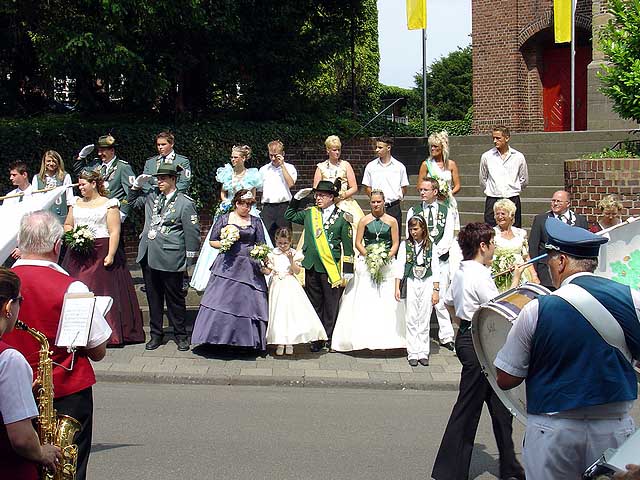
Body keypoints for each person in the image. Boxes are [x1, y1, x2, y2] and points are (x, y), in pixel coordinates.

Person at [495, 218, 639, 480]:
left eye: (550, 260)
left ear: (561, 261)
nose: (549, 267)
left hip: (553, 433)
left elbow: (506, 378)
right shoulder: (633, 299)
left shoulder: (537, 309)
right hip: (614, 430)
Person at [3, 210, 112, 480]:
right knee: (67, 470)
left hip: (9, 395)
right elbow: (98, 351)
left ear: (21, 242)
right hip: (64, 394)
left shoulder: (3, 284)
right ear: (56, 246)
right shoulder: (72, 288)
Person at [432, 222, 525, 480]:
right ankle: (448, 471)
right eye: (492, 243)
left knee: (501, 406)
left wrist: (461, 325)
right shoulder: (480, 274)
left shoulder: (463, 271)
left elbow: (449, 303)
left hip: (469, 337)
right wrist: (515, 281)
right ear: (482, 246)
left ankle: (510, 466)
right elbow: (497, 309)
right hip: (479, 342)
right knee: (468, 407)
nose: (494, 247)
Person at [61, 170, 144, 346]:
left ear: (93, 184)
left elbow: (114, 230)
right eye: (79, 184)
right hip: (78, 252)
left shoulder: (109, 204)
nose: (80, 187)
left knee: (103, 290)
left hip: (101, 251)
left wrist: (111, 254)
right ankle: (77, 331)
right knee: (78, 287)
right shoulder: (75, 203)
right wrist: (74, 235)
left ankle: (109, 332)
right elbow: (68, 224)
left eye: (83, 184)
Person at [128, 164, 200, 351]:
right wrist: (135, 188)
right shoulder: (153, 197)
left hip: (171, 256)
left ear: (173, 180)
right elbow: (131, 203)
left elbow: (192, 233)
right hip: (149, 254)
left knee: (175, 299)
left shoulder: (185, 202)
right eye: (158, 178)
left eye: (163, 178)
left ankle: (180, 334)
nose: (159, 181)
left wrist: (189, 260)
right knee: (154, 298)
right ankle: (156, 334)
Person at [0, 267, 62, 480]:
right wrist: (42, 452)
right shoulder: (9, 359)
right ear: (8, 306)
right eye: (20, 301)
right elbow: (22, 439)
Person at [191, 189, 269, 351]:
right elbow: (213, 241)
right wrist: (225, 242)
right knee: (222, 301)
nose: (247, 207)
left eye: (250, 204)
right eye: (244, 204)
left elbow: (261, 243)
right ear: (236, 203)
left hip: (249, 266)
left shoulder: (255, 222)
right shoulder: (224, 219)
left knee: (246, 302)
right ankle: (216, 338)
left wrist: (263, 258)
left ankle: (246, 341)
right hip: (227, 265)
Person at [285, 180, 355, 351]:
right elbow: (289, 215)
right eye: (317, 195)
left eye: (322, 195)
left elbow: (347, 246)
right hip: (311, 265)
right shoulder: (310, 214)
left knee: (330, 304)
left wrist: (347, 271)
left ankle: (329, 337)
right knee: (314, 303)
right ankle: (317, 338)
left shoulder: (342, 217)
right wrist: (296, 199)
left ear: (331, 197)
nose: (318, 198)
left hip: (330, 268)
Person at [190, 144, 271, 292]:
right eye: (232, 157)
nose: (233, 159)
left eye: (236, 157)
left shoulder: (252, 175)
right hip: (229, 209)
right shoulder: (227, 173)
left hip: (246, 208)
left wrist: (244, 206)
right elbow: (223, 192)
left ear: (244, 158)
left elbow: (252, 195)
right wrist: (226, 202)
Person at [332, 190, 405, 352]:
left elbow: (395, 243)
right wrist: (370, 257)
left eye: (379, 201)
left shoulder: (392, 221)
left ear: (384, 202)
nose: (376, 204)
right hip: (368, 260)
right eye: (373, 202)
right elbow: (358, 243)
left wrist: (386, 257)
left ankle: (388, 338)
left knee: (385, 298)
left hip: (386, 262)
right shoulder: (364, 221)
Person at [405, 177, 456, 351]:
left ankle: (446, 335)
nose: (422, 193)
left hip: (440, 260)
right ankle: (417, 338)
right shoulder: (414, 210)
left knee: (440, 298)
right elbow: (409, 234)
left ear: (435, 192)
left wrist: (433, 253)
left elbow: (448, 235)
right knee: (418, 301)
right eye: (420, 190)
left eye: (425, 190)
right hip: (419, 262)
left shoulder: (446, 210)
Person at [265, 227, 327, 356]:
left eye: (285, 243)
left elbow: (297, 271)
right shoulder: (272, 254)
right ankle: (280, 341)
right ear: (276, 241)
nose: (282, 246)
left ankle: (290, 342)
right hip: (276, 284)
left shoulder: (294, 253)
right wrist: (263, 268)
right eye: (280, 243)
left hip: (289, 284)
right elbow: (269, 271)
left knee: (290, 312)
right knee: (278, 312)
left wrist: (291, 260)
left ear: (290, 241)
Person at [394, 215, 439, 365]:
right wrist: (397, 287)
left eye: (416, 229)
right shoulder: (405, 245)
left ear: (423, 228)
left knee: (424, 318)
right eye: (411, 229)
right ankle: (412, 352)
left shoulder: (431, 245)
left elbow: (436, 268)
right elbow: (399, 266)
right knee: (412, 317)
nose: (413, 232)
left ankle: (423, 351)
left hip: (426, 281)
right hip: (412, 281)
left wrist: (436, 290)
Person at [529, 190, 588, 289]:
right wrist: (534, 274)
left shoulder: (580, 220)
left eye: (559, 201)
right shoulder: (541, 220)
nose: (555, 204)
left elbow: (584, 247)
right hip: (546, 272)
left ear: (568, 203)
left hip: (572, 270)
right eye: (553, 201)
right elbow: (533, 247)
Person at [73, 134, 136, 221]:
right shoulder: (96, 164)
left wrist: (123, 211)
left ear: (112, 151)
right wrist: (81, 157)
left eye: (102, 151)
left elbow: (130, 192)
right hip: (96, 212)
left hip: (112, 213)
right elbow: (81, 175)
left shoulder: (123, 167)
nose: (99, 153)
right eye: (99, 150)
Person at [479, 126, 529, 228]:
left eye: (498, 138)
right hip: (493, 198)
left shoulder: (518, 156)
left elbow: (523, 179)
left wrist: (513, 188)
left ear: (507, 138)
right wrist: (492, 189)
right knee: (490, 230)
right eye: (493, 138)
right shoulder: (487, 156)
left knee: (514, 229)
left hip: (512, 197)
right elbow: (483, 178)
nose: (495, 141)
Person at [313, 135, 364, 231]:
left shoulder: (346, 165)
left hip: (344, 201)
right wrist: (325, 199)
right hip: (326, 202)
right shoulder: (321, 167)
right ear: (328, 150)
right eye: (334, 150)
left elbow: (354, 187)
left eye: (339, 150)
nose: (337, 152)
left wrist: (341, 196)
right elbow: (315, 188)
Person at [362, 136, 409, 231]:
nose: (376, 150)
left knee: (395, 238)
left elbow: (404, 188)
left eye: (380, 147)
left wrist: (396, 198)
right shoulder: (371, 166)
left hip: (393, 207)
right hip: (377, 207)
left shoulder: (399, 167)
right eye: (376, 147)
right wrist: (375, 200)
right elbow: (367, 187)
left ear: (388, 148)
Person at [492, 198, 540, 292]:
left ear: (511, 215)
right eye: (497, 214)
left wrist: (534, 276)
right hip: (500, 275)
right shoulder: (492, 233)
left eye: (503, 214)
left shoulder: (520, 233)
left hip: (521, 274)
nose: (500, 217)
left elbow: (526, 257)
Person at [417, 131, 461, 231]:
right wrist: (431, 194)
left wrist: (448, 194)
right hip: (431, 202)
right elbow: (419, 185)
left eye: (436, 146)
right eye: (431, 146)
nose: (433, 149)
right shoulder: (426, 164)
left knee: (450, 229)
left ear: (443, 147)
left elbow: (457, 185)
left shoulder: (451, 164)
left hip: (448, 201)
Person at [259, 140, 298, 244]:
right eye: (271, 155)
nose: (273, 158)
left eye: (276, 156)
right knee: (266, 237)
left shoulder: (290, 168)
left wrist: (282, 166)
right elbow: (258, 188)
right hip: (268, 207)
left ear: (282, 154)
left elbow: (291, 184)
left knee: (286, 236)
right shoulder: (263, 170)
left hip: (283, 207)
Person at [3, 162, 33, 265]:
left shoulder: (37, 195)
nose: (11, 178)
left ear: (24, 175)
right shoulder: (9, 196)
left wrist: (23, 248)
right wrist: (9, 246)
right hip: (10, 248)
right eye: (10, 175)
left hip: (29, 247)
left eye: (14, 175)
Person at [32, 150, 74, 224]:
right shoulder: (37, 178)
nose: (51, 164)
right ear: (44, 162)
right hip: (43, 219)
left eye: (54, 161)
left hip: (60, 217)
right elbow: (34, 200)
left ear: (58, 162)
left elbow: (70, 199)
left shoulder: (65, 176)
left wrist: (69, 219)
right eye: (48, 161)